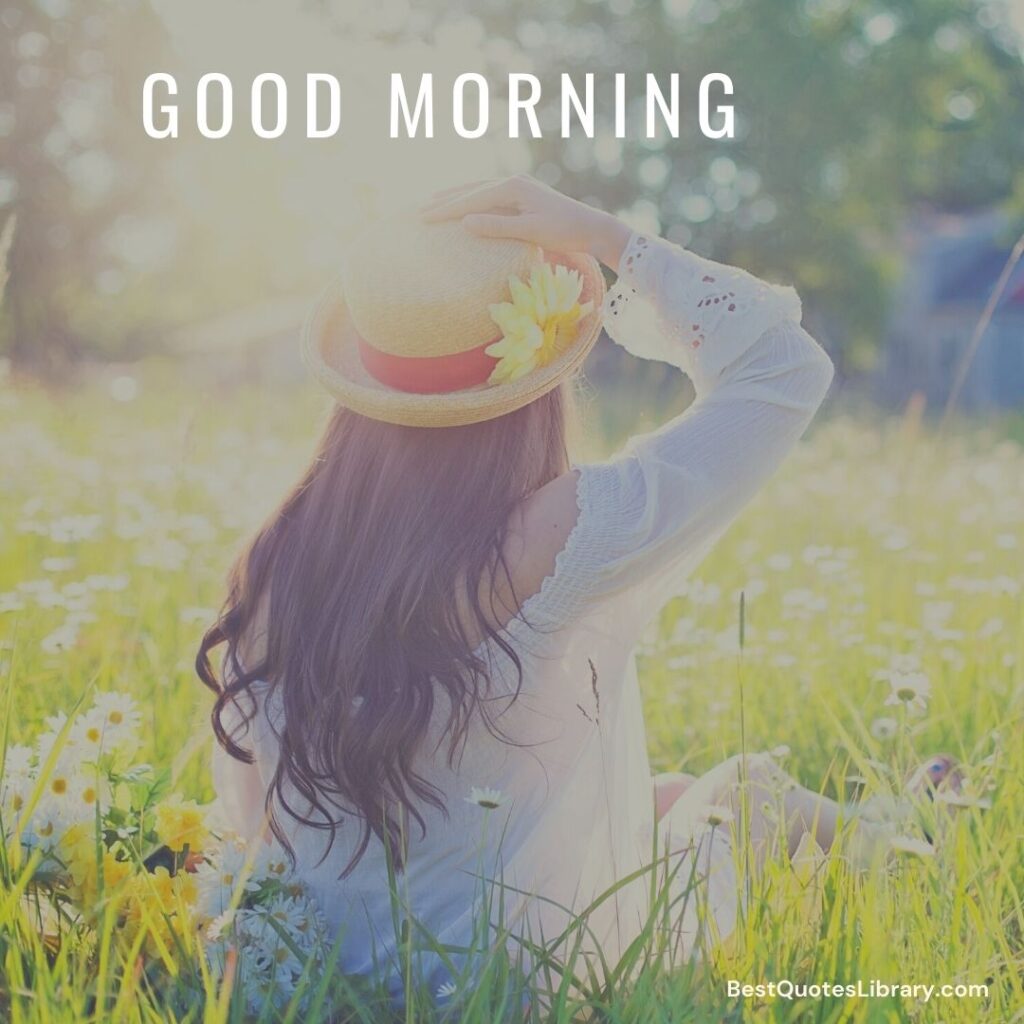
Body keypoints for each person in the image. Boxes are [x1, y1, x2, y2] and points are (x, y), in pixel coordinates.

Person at [197, 177, 942, 996]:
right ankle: (918, 845)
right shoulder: (560, 532)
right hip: (534, 986)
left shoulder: (277, 554)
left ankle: (904, 826)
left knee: (664, 797)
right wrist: (612, 239)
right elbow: (782, 367)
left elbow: (255, 814)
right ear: (535, 379)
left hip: (331, 972)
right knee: (746, 791)